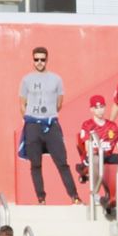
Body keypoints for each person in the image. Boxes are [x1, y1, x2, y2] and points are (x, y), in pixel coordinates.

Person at [17, 47, 81, 206]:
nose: (39, 62)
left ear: (47, 60)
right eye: (36, 59)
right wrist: (30, 119)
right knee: (35, 164)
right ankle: (41, 198)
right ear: (33, 60)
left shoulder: (56, 79)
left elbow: (59, 103)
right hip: (32, 125)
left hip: (51, 124)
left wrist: (48, 114)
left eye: (42, 59)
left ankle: (74, 196)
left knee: (62, 162)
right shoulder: (26, 80)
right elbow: (22, 104)